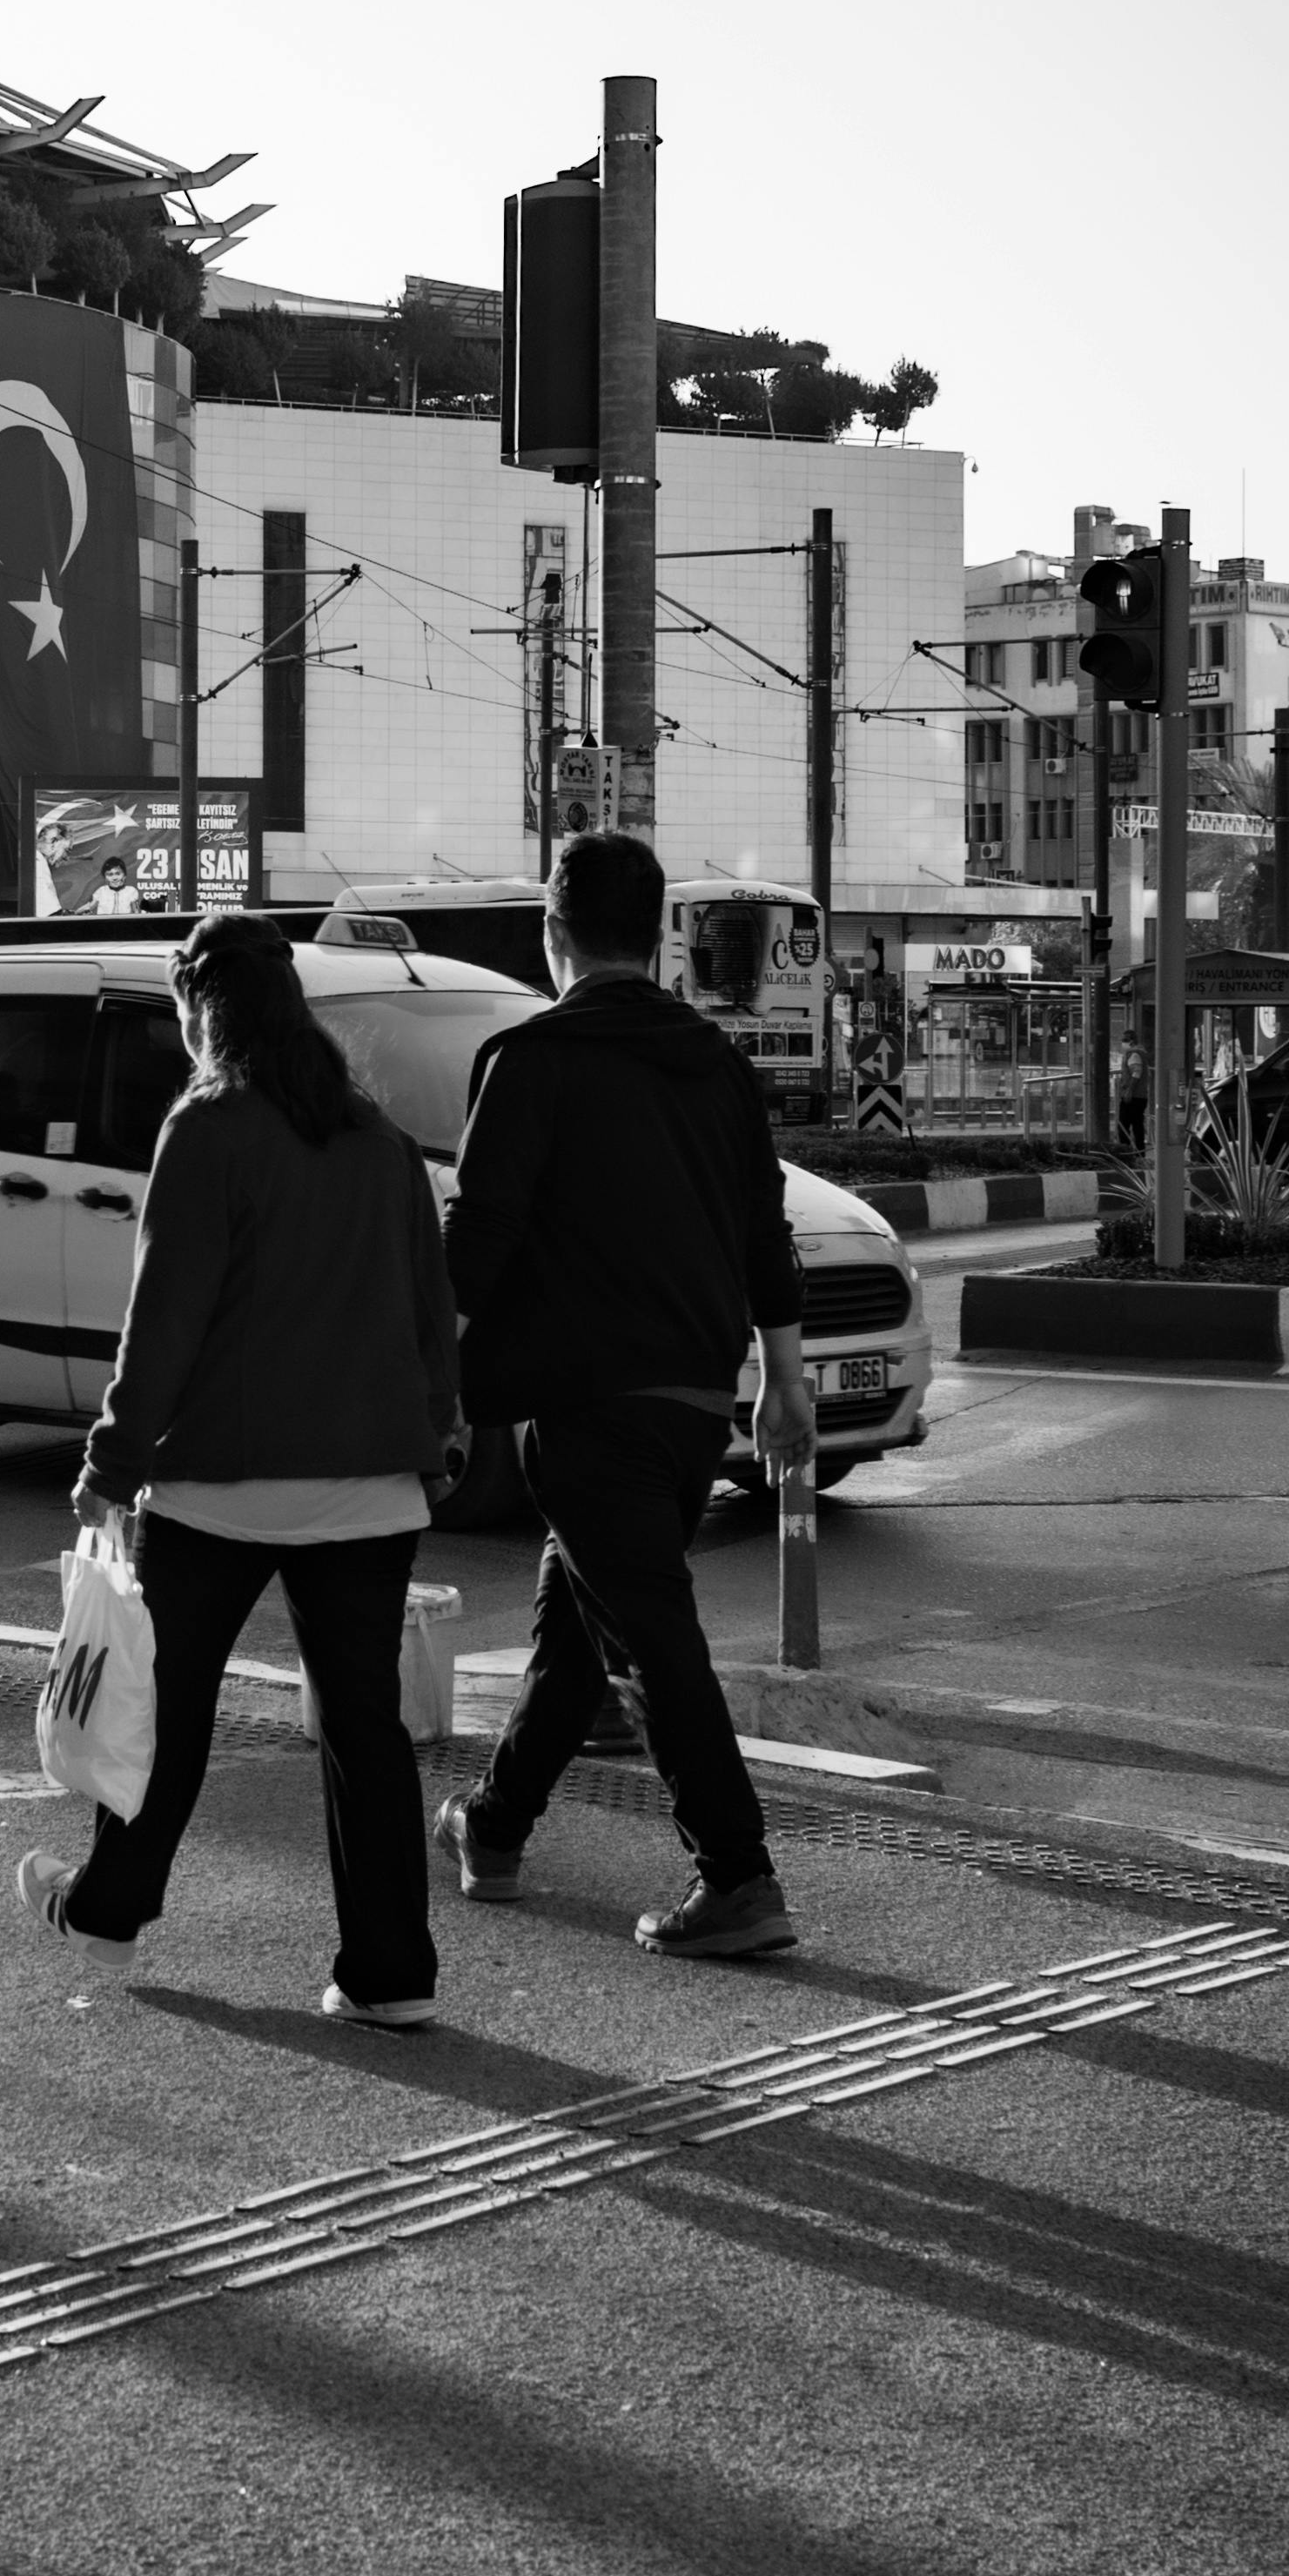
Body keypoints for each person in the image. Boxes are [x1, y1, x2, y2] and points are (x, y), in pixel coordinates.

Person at [18, 913, 461, 2027]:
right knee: (365, 1730)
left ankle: (110, 1908)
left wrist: (110, 1463)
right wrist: (437, 1438)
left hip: (217, 1483)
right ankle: (390, 1972)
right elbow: (428, 1316)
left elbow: (162, 1320)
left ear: (197, 1012)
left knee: (169, 1710)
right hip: (368, 1488)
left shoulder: (207, 1125)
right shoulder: (380, 1141)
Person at [437, 827, 816, 1960]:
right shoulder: (715, 1064)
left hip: (584, 1401)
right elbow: (763, 1228)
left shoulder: (532, 1059)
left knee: (650, 1632)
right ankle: (494, 1825)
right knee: (580, 1618)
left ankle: (737, 1874)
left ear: (553, 935)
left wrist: (432, 1387)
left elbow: (480, 1240)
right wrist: (783, 1381)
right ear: (658, 938)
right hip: (693, 1402)